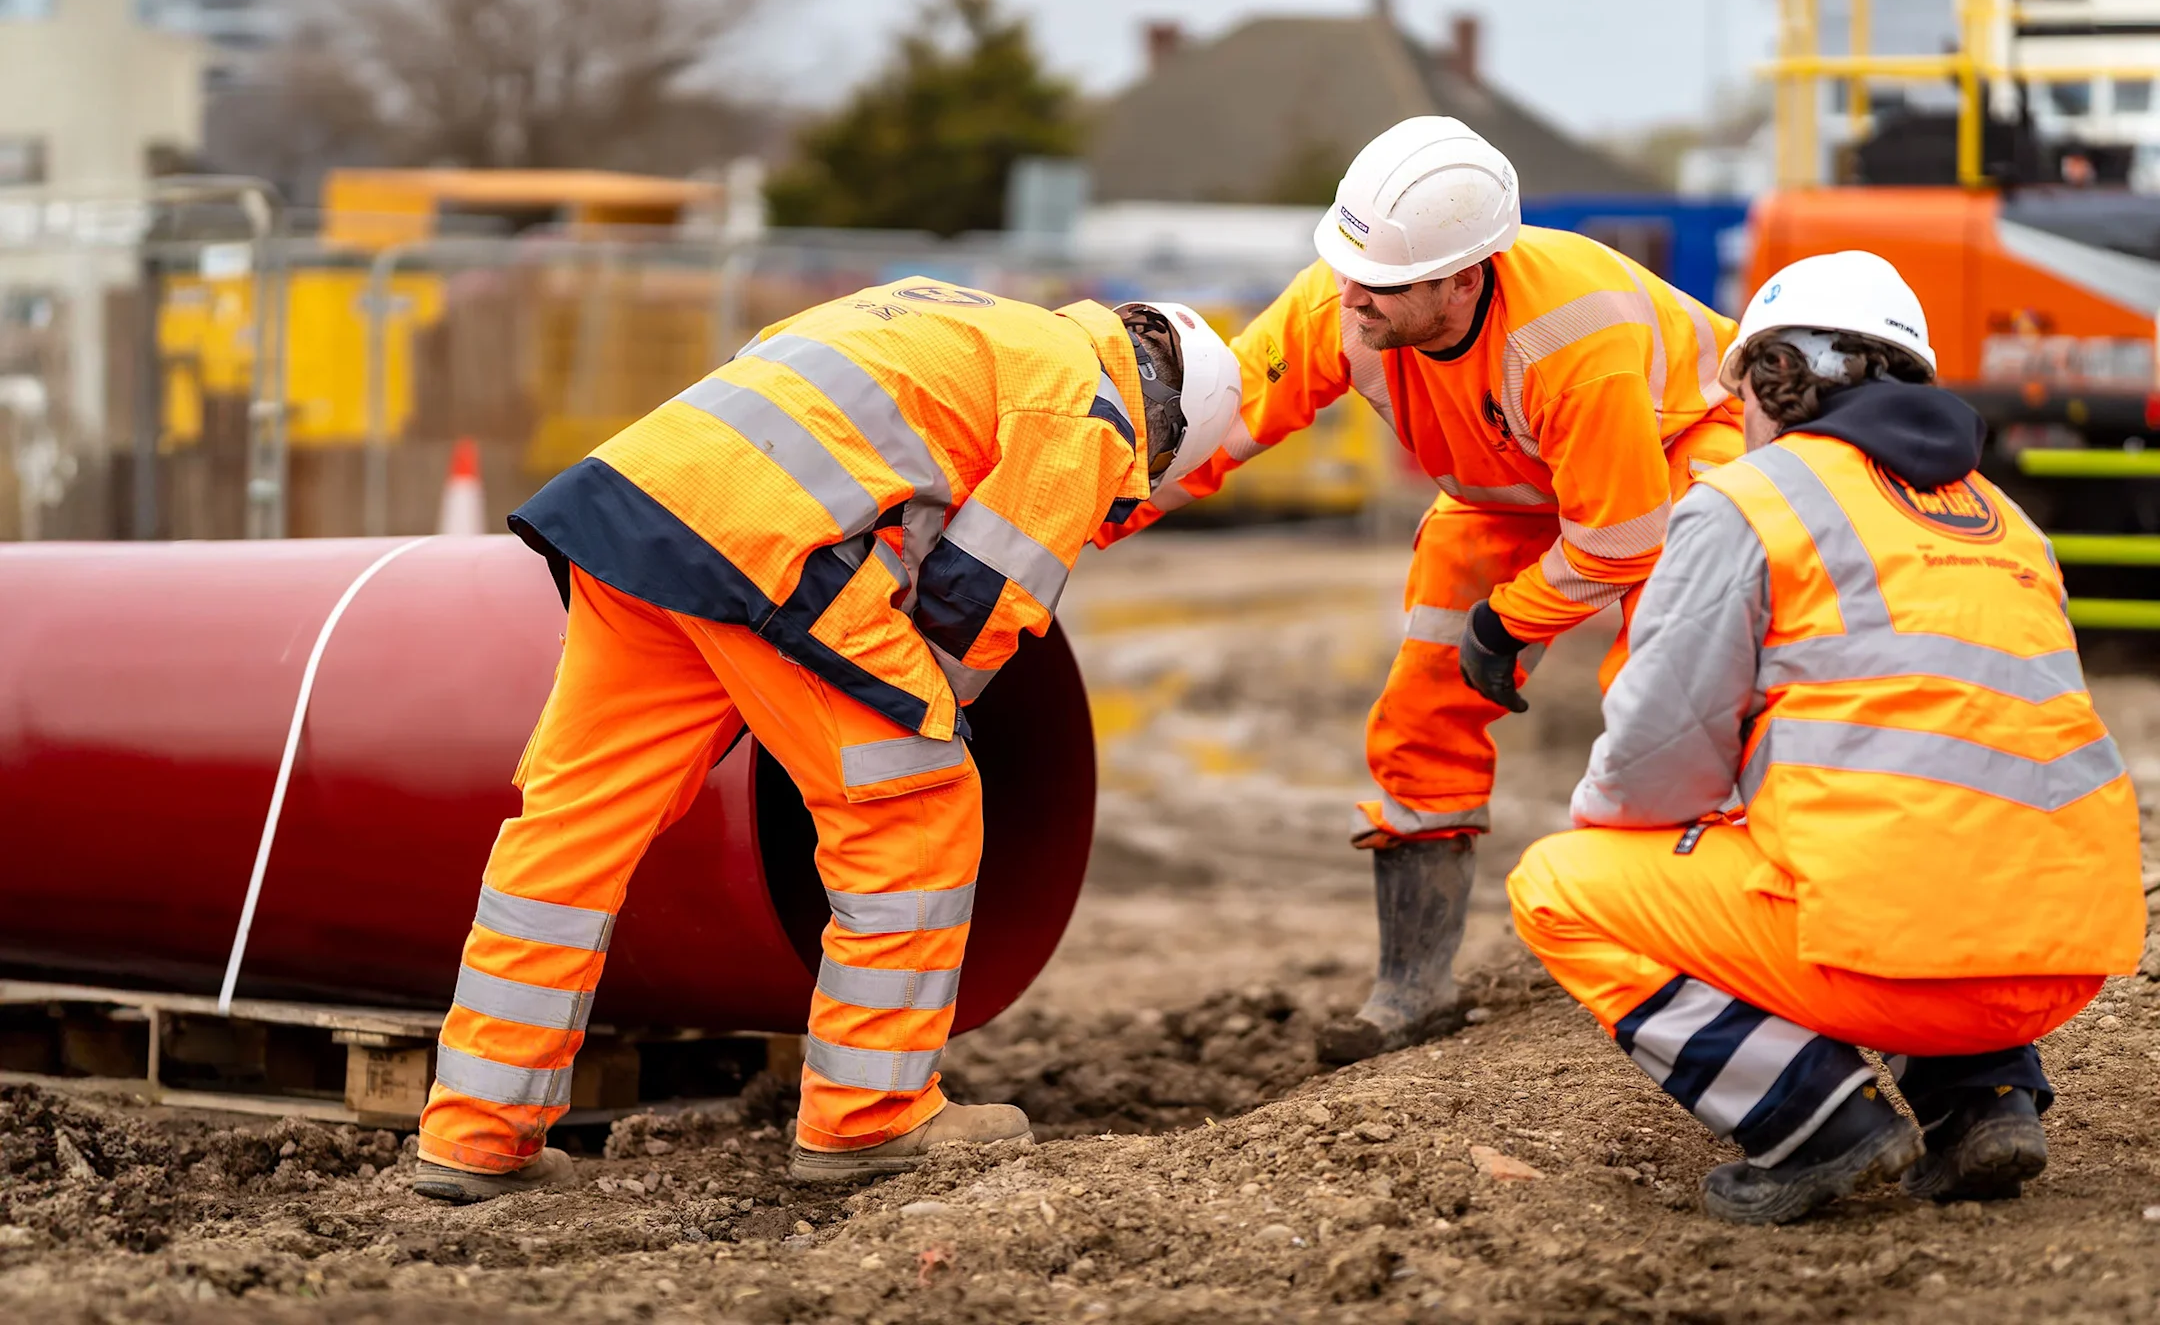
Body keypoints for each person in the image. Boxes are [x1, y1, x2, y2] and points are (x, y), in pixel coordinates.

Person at [410, 280, 1242, 1201]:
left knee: (573, 825)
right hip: (773, 553)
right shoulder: (1092, 409)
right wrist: (915, 723)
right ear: (1169, 433)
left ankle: (477, 1134)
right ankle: (869, 1116)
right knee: (919, 803)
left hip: (637, 512)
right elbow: (972, 613)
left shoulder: (964, 315)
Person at [1507, 251, 2145, 1225]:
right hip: (2060, 960)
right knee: (1920, 830)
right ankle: (1986, 1100)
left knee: (1560, 886)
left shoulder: (1751, 499)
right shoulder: (2009, 522)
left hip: (1897, 966)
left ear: (1776, 380)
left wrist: (1645, 833)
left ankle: (1820, 1126)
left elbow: (1652, 764)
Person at [1099, 116, 1743, 1062]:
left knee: (1668, 706)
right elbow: (1220, 423)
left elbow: (1617, 540)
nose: (1350, 297)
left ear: (1463, 277)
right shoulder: (1347, 295)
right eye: (1345, 267)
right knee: (1418, 714)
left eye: (1382, 285)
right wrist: (1095, 518)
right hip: (1504, 495)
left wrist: (1511, 621)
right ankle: (1413, 988)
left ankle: (1708, 963)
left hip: (1675, 467)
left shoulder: (1572, 337)